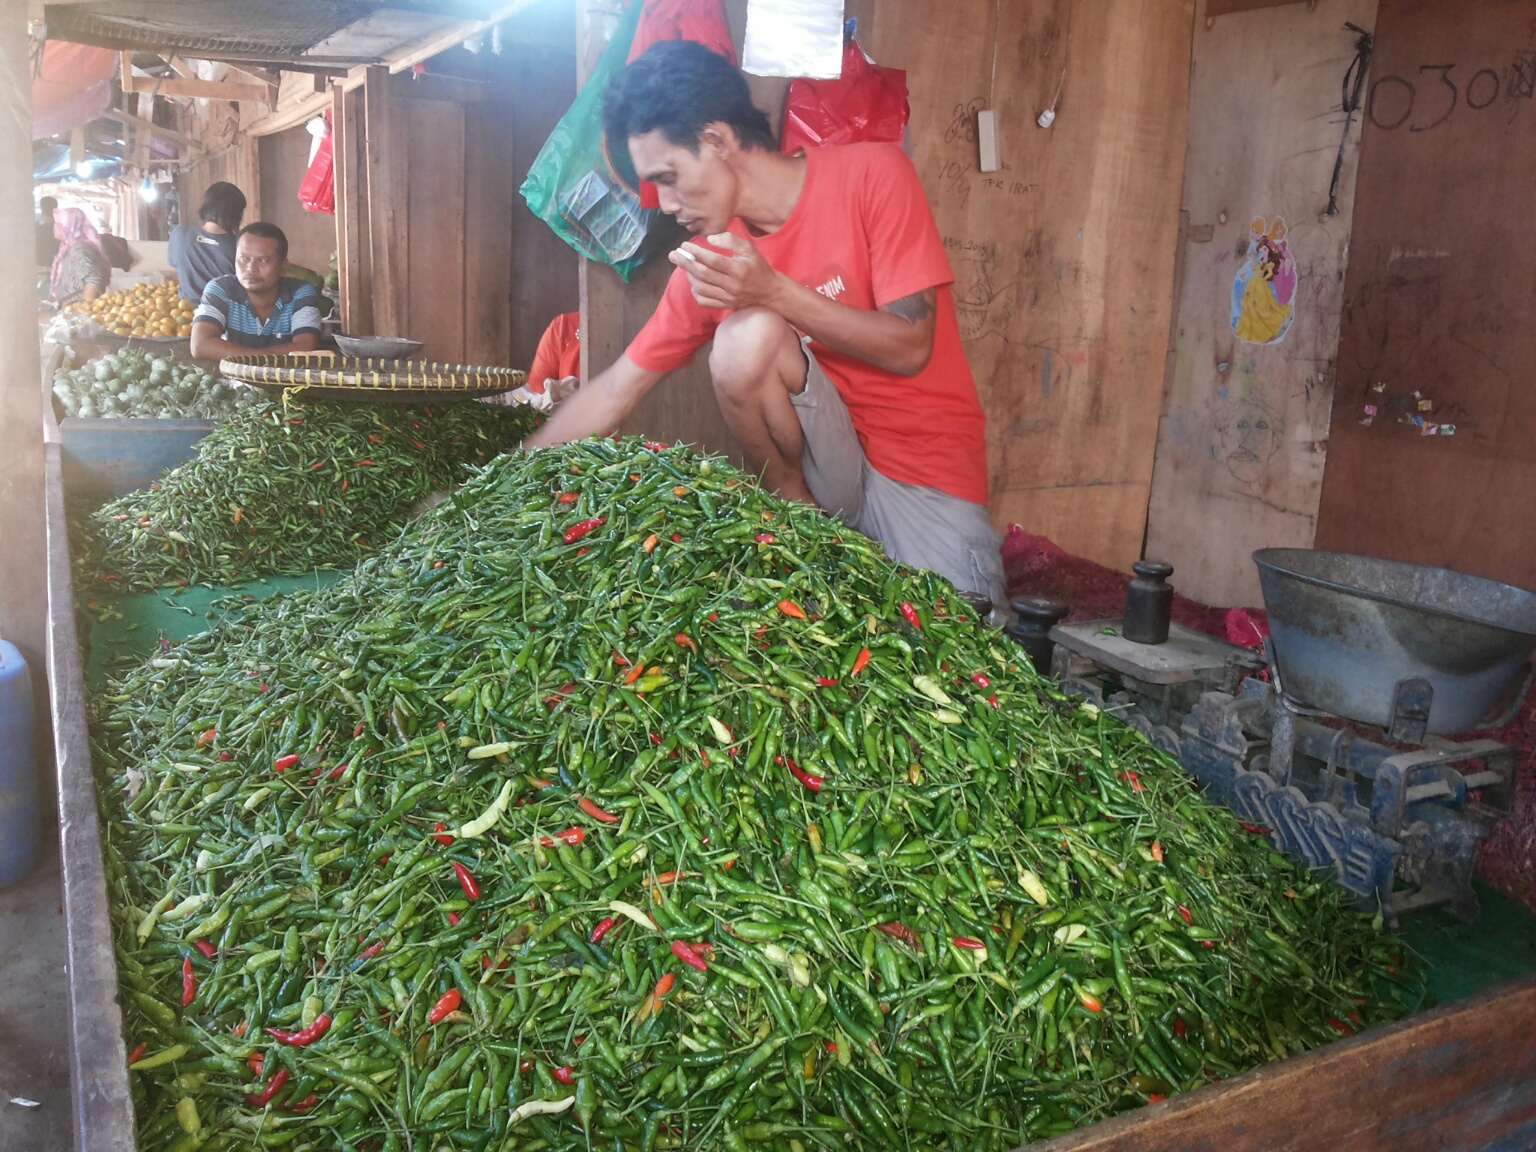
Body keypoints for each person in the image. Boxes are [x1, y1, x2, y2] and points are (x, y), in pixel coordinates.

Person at [525, 42, 1004, 603]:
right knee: (744, 339)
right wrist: (499, 486)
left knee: (961, 666)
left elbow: (911, 347)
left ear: (718, 140)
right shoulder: (711, 262)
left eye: (670, 176)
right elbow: (616, 387)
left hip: (926, 478)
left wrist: (775, 291)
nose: (665, 202)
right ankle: (797, 521)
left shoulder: (874, 175)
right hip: (826, 485)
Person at [189, 222, 322, 360]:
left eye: (263, 260)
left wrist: (244, 358)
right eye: (244, 259)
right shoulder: (221, 289)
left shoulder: (300, 293)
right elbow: (200, 345)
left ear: (283, 267)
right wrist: (267, 358)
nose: (251, 268)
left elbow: (305, 349)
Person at [169, 181, 247, 302]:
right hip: (223, 315)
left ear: (206, 206)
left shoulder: (179, 235)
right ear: (237, 214)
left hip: (185, 312)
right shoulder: (240, 245)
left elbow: (174, 263)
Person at [50, 206, 110, 308]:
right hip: (69, 310)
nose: (54, 226)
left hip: (75, 312)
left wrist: (84, 310)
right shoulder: (70, 246)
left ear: (69, 225)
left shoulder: (80, 249)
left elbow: (94, 280)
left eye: (58, 222)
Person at [36, 196, 59, 267]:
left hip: (39, 265)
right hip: (57, 266)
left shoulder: (35, 228)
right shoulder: (62, 228)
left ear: (41, 209)